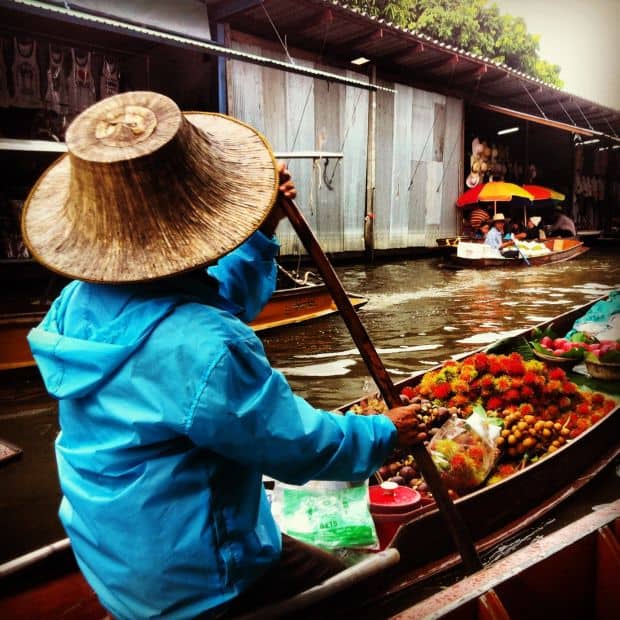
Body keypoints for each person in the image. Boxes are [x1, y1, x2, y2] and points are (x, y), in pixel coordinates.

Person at [23, 92, 421, 619]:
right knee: (375, 594)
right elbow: (296, 447)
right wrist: (383, 433)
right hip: (197, 584)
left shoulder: (77, 305)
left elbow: (213, 307)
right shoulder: (203, 345)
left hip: (113, 559)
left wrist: (260, 233)